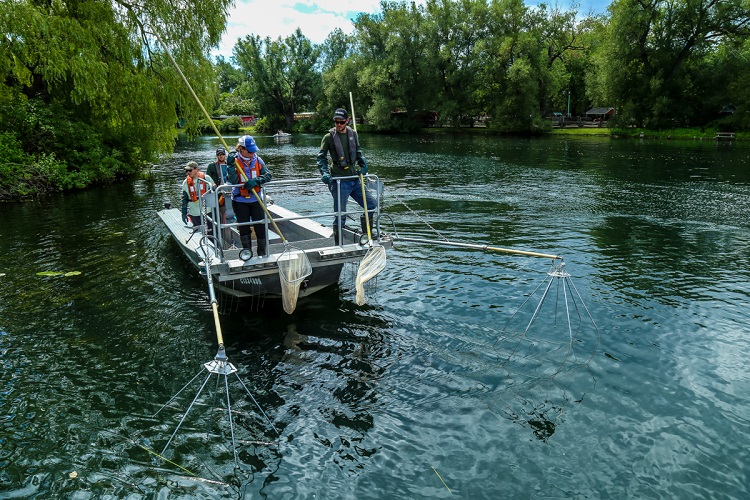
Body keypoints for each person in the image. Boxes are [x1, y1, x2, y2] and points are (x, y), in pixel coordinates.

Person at [316, 107, 377, 244]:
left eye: (341, 122)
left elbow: (358, 152)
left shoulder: (353, 134)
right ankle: (338, 244)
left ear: (347, 121)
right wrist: (324, 173)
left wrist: (363, 164)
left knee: (372, 204)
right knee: (340, 214)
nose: (338, 125)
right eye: (336, 122)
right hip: (339, 181)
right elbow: (321, 158)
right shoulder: (329, 137)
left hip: (354, 179)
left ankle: (368, 233)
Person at [227, 135, 272, 257]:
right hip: (239, 200)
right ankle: (247, 253)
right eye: (249, 151)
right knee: (244, 228)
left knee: (261, 226)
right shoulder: (234, 162)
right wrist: (230, 166)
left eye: (253, 151)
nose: (252, 153)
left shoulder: (258, 160)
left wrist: (257, 181)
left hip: (256, 199)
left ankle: (262, 252)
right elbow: (233, 180)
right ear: (241, 149)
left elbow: (268, 176)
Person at [206, 146, 234, 244]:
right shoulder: (212, 166)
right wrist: (214, 186)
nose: (221, 156)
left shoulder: (229, 165)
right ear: (216, 156)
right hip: (217, 192)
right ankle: (218, 229)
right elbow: (208, 178)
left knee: (227, 210)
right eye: (219, 154)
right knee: (218, 210)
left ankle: (226, 228)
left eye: (222, 154)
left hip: (227, 191)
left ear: (225, 155)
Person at [181, 161, 215, 231]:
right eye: (186, 171)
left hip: (207, 212)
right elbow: (184, 199)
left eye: (190, 170)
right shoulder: (185, 182)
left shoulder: (207, 179)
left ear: (196, 169)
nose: (188, 172)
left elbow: (214, 192)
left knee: (211, 232)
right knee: (199, 233)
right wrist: (184, 213)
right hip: (194, 213)